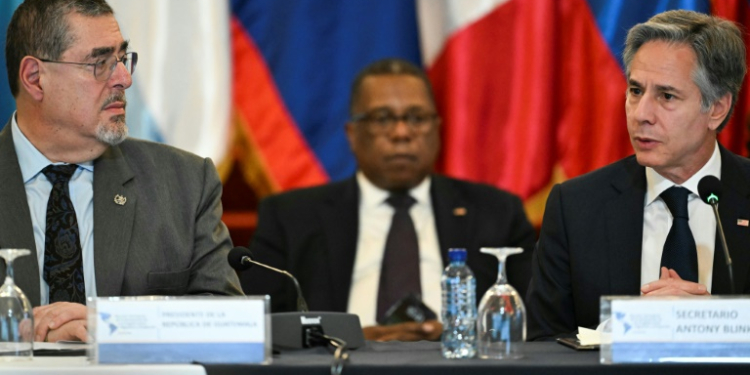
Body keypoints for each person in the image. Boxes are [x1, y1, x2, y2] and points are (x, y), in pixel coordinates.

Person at [243, 58, 536, 342]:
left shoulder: (496, 211)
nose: (401, 133)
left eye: (417, 118)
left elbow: (535, 322)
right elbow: (259, 326)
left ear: (437, 128)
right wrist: (348, 338)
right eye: (383, 118)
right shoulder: (291, 216)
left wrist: (461, 336)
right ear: (352, 134)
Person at [2, 0, 242, 343]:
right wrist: (22, 331)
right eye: (100, 63)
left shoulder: (185, 182)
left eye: (122, 58)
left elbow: (229, 320)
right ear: (35, 78)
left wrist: (112, 323)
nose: (124, 79)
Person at [526, 10, 750, 341]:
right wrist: (623, 331)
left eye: (667, 96)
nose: (641, 114)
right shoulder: (575, 206)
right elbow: (543, 342)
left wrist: (717, 323)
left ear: (716, 108)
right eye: (635, 91)